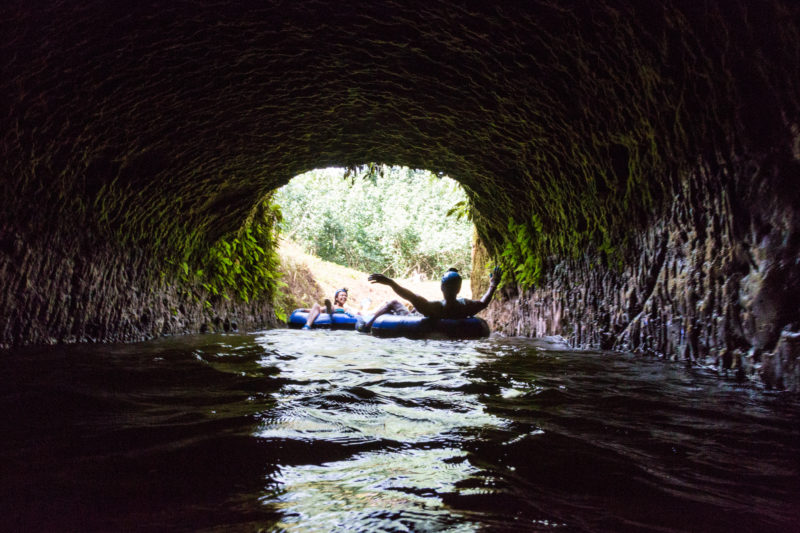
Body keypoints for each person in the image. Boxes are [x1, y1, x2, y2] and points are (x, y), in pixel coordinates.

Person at [367, 266, 502, 321]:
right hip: (451, 318)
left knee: (393, 303)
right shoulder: (465, 305)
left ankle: (366, 325)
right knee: (414, 308)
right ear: (459, 289)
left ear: (442, 288)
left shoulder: (435, 307)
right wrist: (493, 284)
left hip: (417, 320)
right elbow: (483, 302)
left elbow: (410, 296)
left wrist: (391, 282)